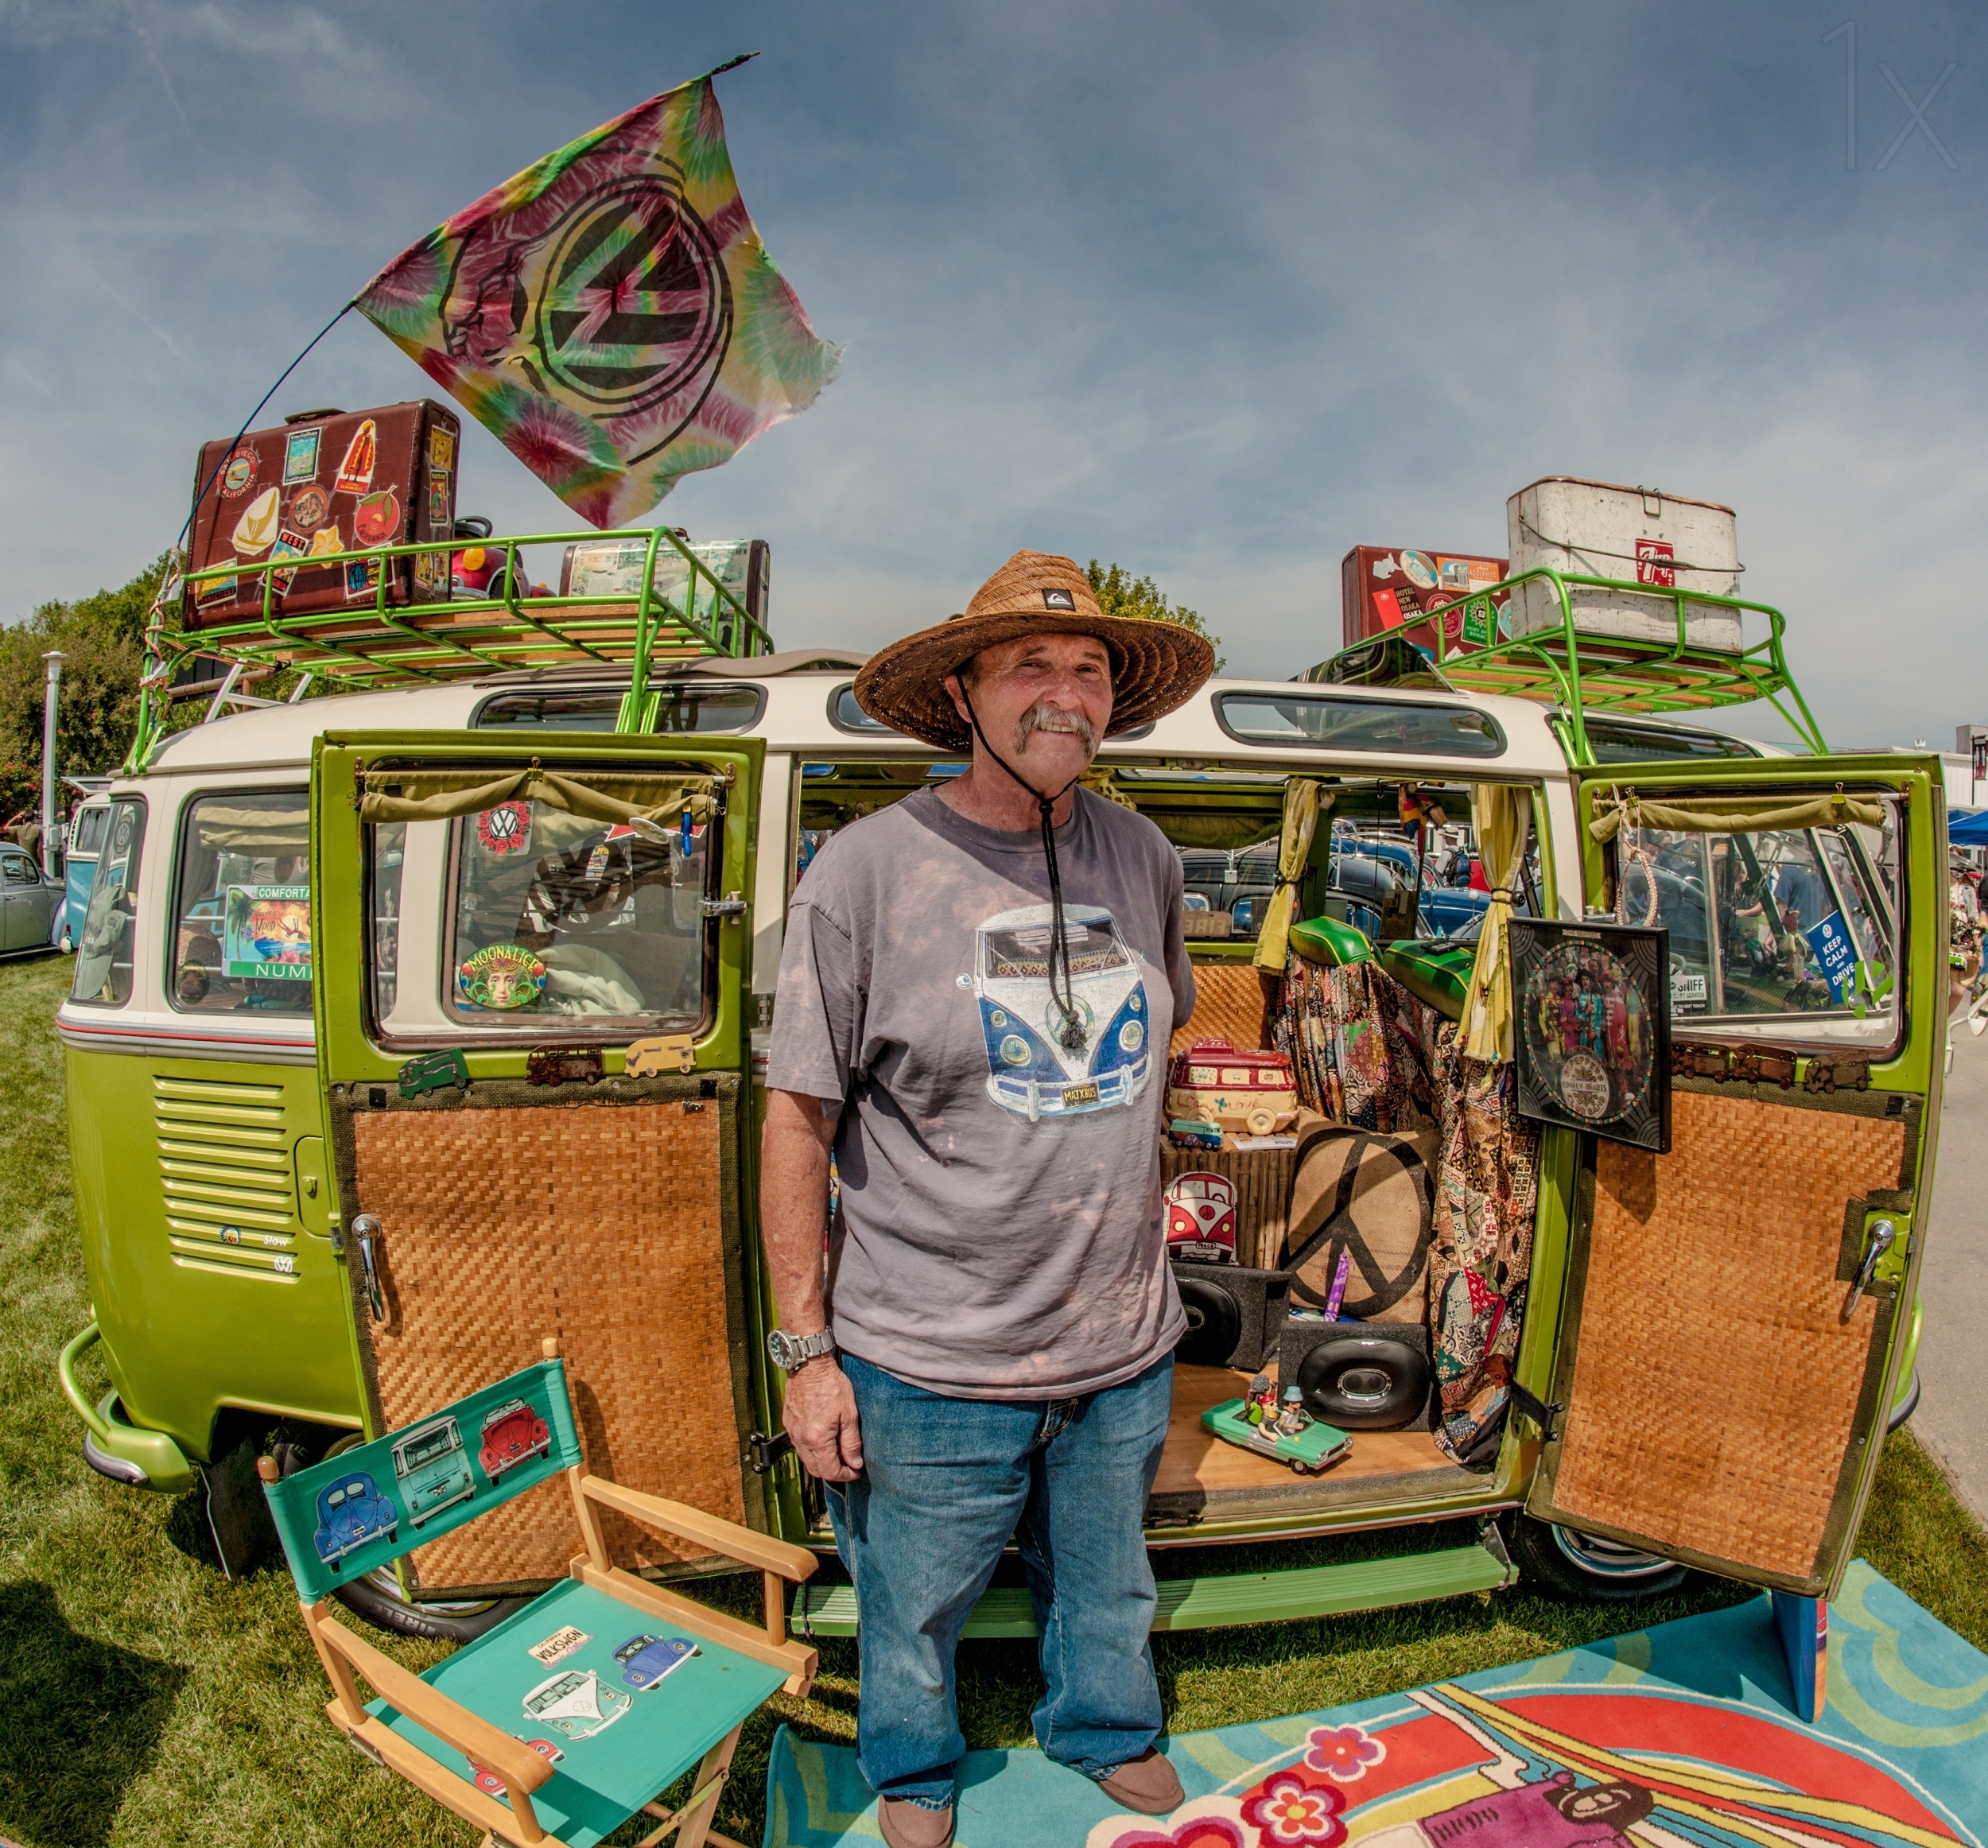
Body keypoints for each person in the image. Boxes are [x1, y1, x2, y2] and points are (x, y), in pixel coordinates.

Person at [759, 552, 1213, 1847]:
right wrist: (807, 1355)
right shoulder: (864, 872)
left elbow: (1157, 1048)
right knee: (911, 1597)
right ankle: (913, 1768)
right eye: (1031, 666)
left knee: (1108, 1582)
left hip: (1119, 1342)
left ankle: (1105, 1728)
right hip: (929, 1354)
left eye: (1089, 669)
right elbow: (796, 1122)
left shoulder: (1144, 855)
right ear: (962, 694)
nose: (1066, 693)